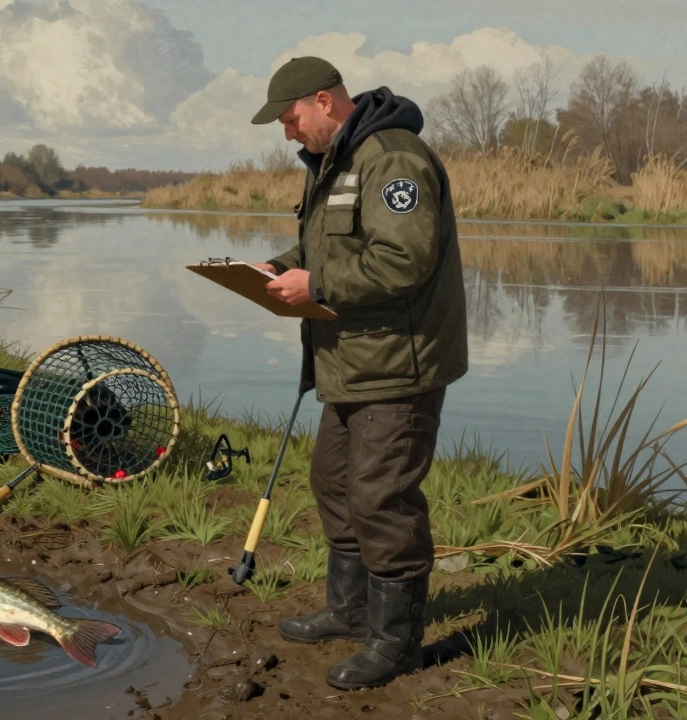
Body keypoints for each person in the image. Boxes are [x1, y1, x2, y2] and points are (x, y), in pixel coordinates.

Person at [249, 56, 468, 691]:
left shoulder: (393, 159)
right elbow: (333, 249)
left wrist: (313, 282)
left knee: (381, 497)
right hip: (351, 361)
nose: (288, 134)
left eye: (291, 120)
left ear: (324, 101)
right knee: (335, 483)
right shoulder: (335, 161)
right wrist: (275, 268)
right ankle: (349, 613)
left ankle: (397, 644)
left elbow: (405, 261)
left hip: (399, 363)